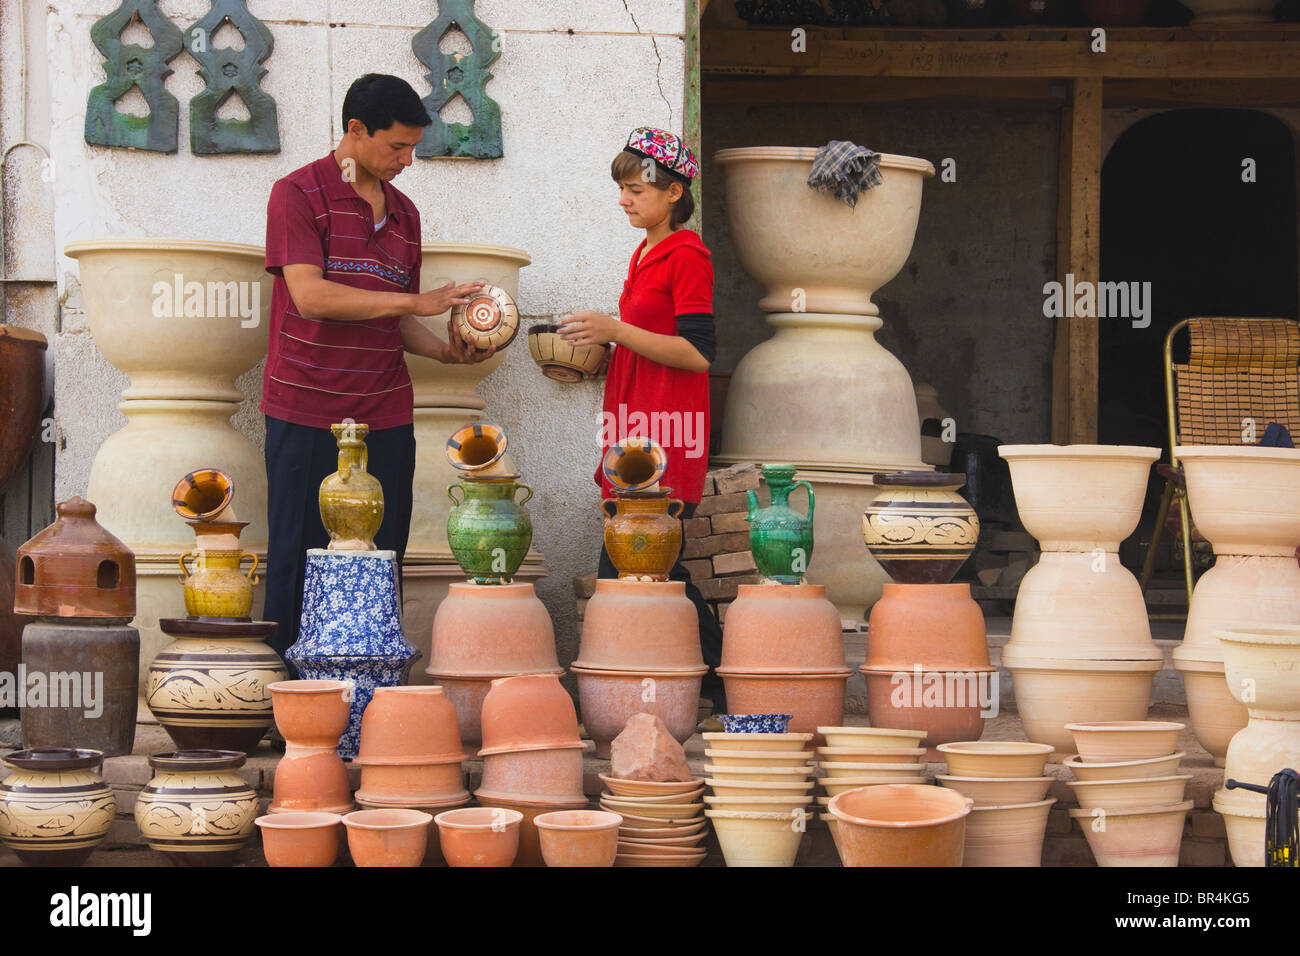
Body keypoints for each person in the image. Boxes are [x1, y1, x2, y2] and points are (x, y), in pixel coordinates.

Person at [261, 73, 494, 663]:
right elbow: (311, 297)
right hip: (305, 404)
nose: (407, 160)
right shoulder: (297, 194)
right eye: (397, 146)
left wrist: (445, 350)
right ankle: (285, 701)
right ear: (355, 131)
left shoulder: (406, 215)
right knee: (297, 553)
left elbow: (393, 316)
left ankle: (369, 688)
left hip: (384, 409)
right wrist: (419, 302)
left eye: (414, 147)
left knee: (381, 551)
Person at [559, 127, 726, 716]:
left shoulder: (688, 256)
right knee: (651, 562)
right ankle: (703, 686)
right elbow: (648, 341)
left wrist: (616, 330)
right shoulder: (644, 253)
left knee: (640, 558)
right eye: (622, 189)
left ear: (674, 191)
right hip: (634, 419)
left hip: (666, 427)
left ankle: (707, 684)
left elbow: (699, 353)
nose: (624, 199)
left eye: (635, 189)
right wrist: (599, 356)